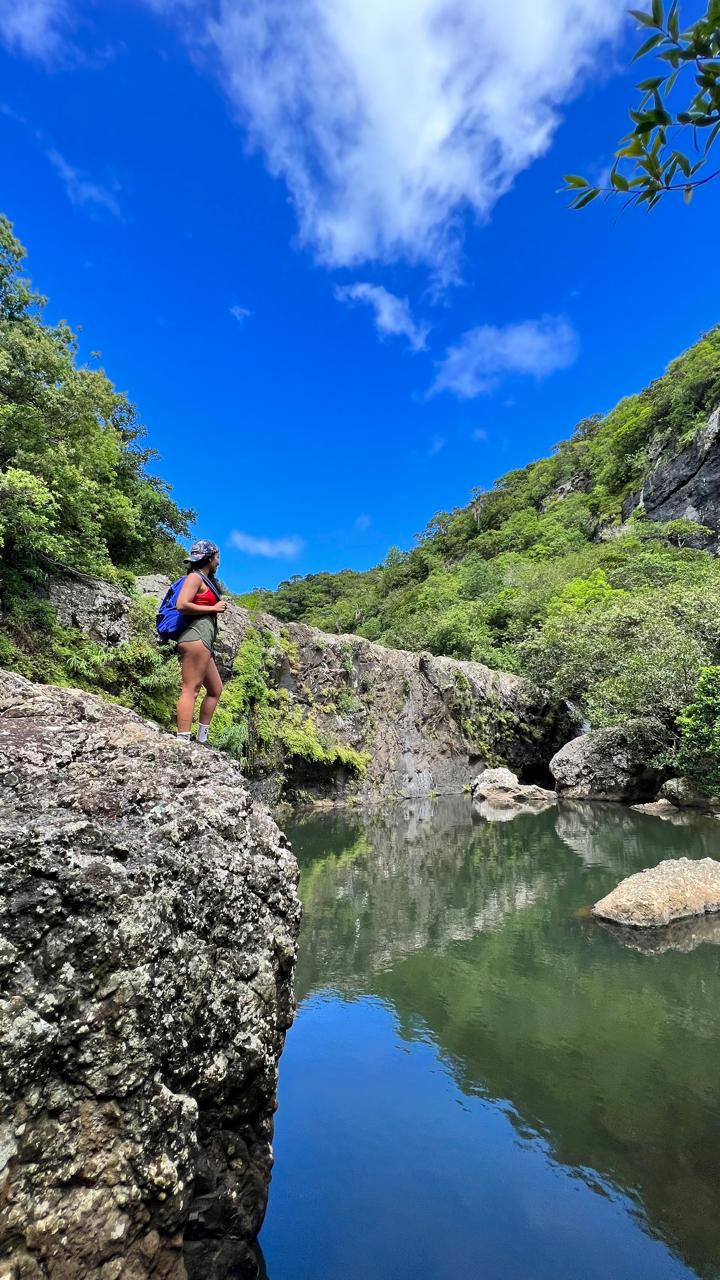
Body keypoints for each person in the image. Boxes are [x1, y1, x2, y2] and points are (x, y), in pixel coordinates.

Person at [175, 539, 227, 744]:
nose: (218, 562)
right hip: (195, 637)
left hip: (203, 640)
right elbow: (182, 604)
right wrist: (213, 608)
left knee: (215, 689)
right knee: (191, 688)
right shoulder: (194, 577)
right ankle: (182, 739)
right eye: (217, 557)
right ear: (209, 558)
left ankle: (202, 739)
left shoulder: (205, 580)